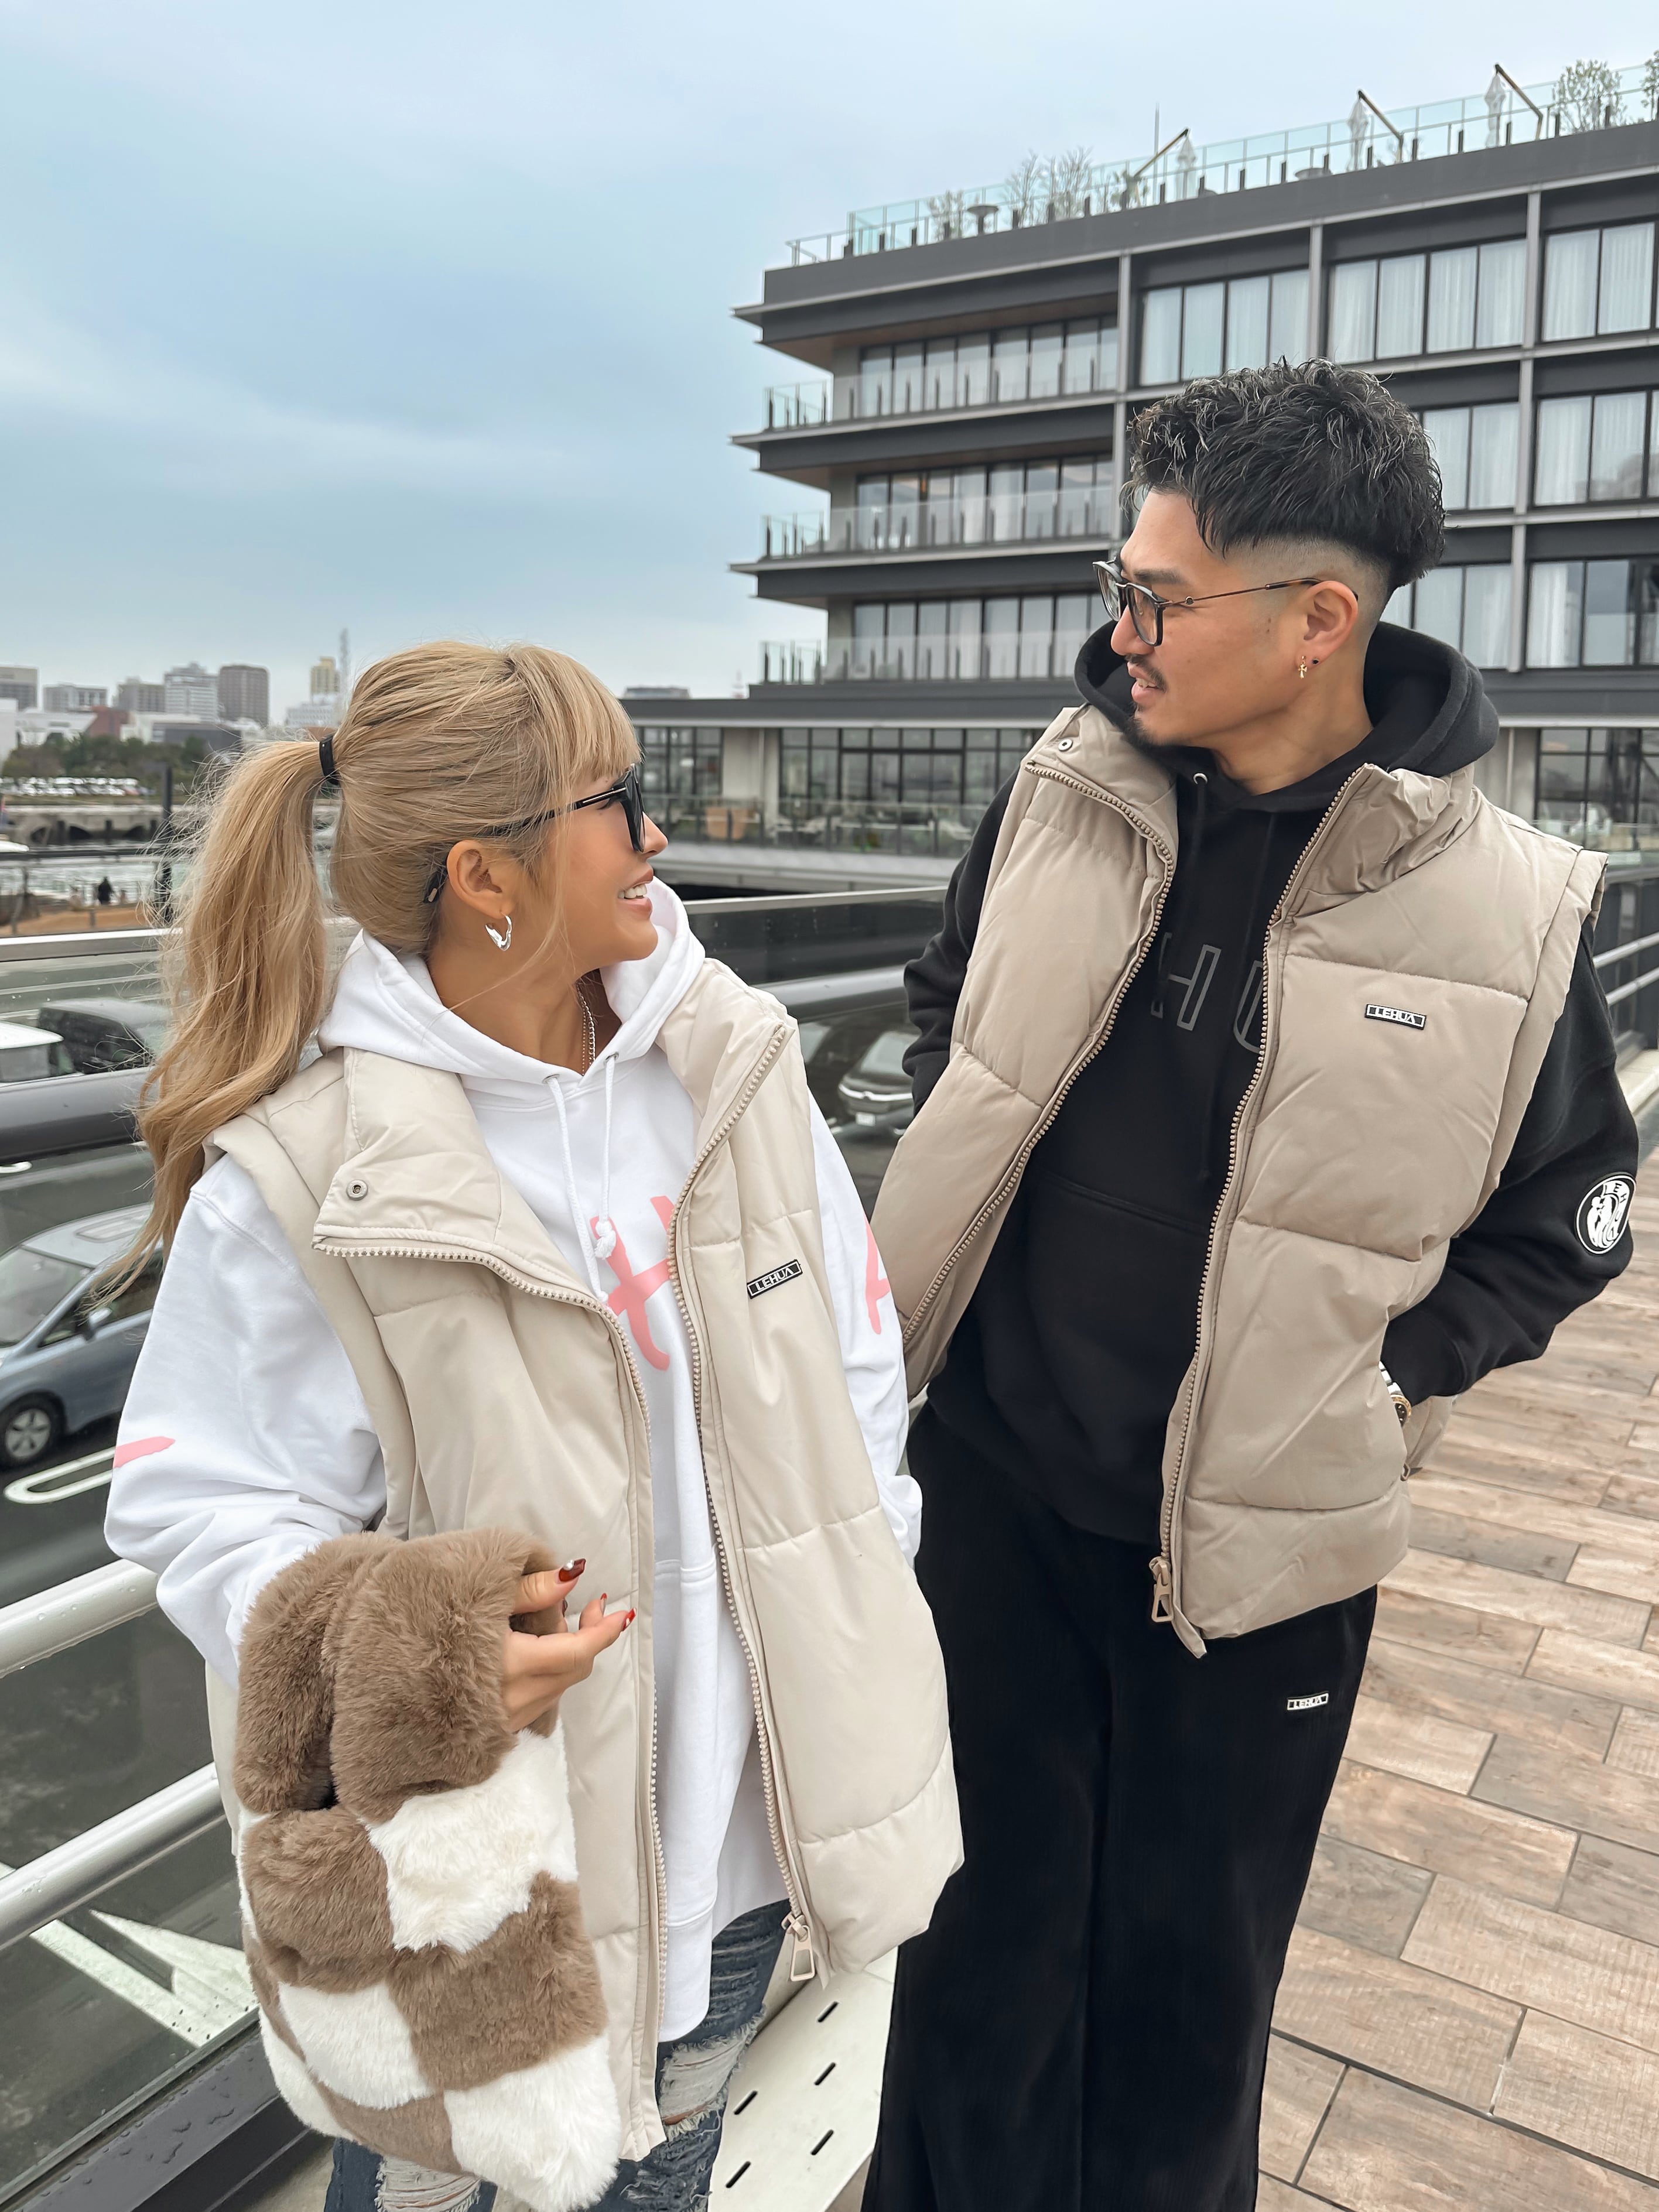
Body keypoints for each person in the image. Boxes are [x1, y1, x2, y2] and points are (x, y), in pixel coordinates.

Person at [864, 360, 1637, 2212]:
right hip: (990, 1498)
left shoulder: (1508, 908)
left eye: (1156, 596)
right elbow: (944, 1012)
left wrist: (1383, 1378)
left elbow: (1572, 1212)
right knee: (962, 1981)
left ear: (1315, 621)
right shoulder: (1058, 794)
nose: (1117, 632)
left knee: (1185, 2021)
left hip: (1264, 1566)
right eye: (1118, 586)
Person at [105, 642, 959, 2212]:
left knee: (666, 2179)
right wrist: (413, 1656)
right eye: (616, 800)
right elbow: (191, 1503)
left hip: (737, 1856)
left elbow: (853, 1374)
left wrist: (859, 1598)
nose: (657, 834)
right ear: (484, 874)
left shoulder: (731, 1071)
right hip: (478, 1895)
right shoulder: (311, 1177)